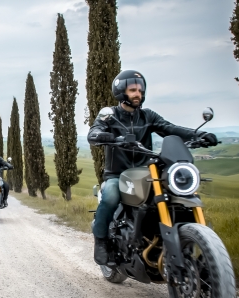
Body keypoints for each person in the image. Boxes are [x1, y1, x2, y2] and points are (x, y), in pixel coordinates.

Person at [87, 70, 218, 265]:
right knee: (111, 195)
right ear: (122, 92)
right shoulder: (111, 115)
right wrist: (102, 135)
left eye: (140, 90)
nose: (137, 93)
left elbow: (170, 128)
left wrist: (198, 135)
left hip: (146, 172)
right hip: (118, 174)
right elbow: (94, 131)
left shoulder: (148, 116)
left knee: (171, 189)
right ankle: (101, 241)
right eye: (132, 90)